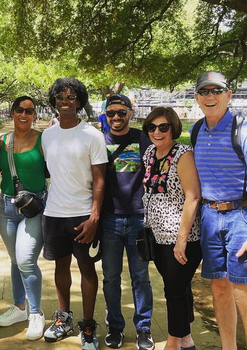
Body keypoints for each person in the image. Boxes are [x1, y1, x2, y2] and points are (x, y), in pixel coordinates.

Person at [192, 71, 247, 350]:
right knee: (219, 289)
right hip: (210, 217)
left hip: (242, 217)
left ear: (228, 95)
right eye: (204, 91)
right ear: (197, 98)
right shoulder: (197, 131)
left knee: (244, 296)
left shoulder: (245, 133)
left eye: (217, 91)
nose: (210, 96)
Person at [41, 78, 108, 350]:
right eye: (60, 96)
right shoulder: (48, 134)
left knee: (87, 269)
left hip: (83, 215)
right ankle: (63, 318)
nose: (64, 101)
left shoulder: (92, 135)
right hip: (54, 213)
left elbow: (100, 179)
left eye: (71, 97)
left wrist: (94, 217)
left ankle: (88, 325)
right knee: (60, 267)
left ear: (79, 101)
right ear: (54, 100)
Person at [141, 107, 202, 350]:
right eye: (152, 127)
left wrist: (181, 239)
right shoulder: (149, 153)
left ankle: (173, 343)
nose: (157, 132)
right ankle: (186, 338)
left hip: (181, 238)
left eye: (163, 127)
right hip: (157, 236)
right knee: (177, 287)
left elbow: (193, 197)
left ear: (173, 128)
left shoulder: (183, 154)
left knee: (174, 292)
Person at [99, 94, 154, 350]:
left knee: (140, 277)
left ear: (130, 114)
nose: (117, 117)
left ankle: (144, 329)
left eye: (122, 112)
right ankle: (115, 327)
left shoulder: (143, 139)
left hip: (138, 218)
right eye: (111, 113)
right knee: (111, 277)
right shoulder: (98, 141)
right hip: (109, 219)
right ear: (105, 115)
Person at [0, 96, 47, 340]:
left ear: (34, 114)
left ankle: (36, 313)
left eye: (29, 111)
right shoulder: (3, 141)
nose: (24, 114)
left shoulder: (43, 139)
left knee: (26, 260)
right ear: (12, 112)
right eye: (19, 110)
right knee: (15, 259)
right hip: (6, 207)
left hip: (34, 207)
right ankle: (19, 307)